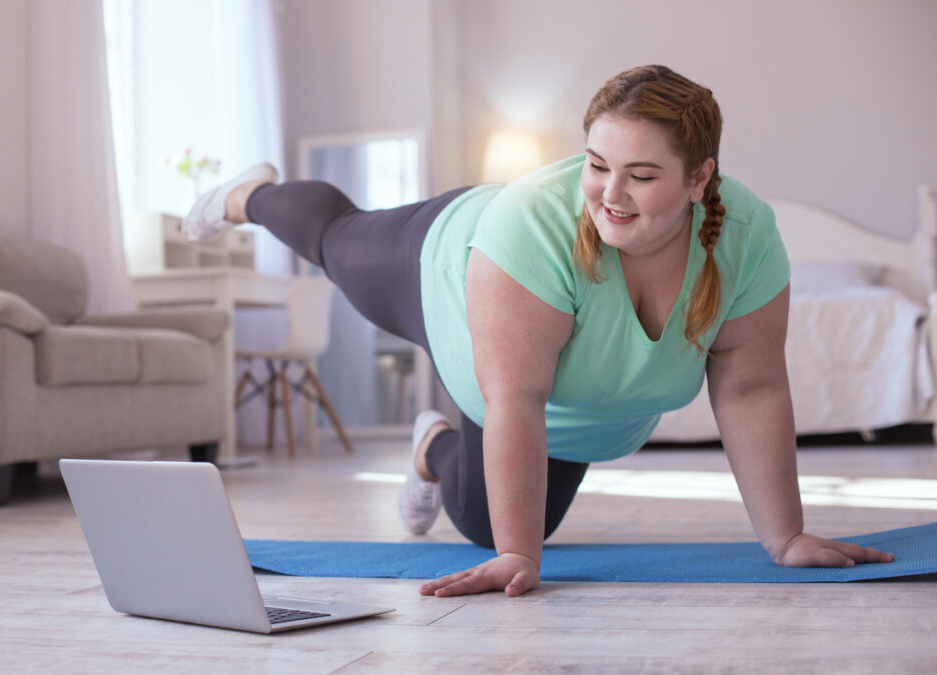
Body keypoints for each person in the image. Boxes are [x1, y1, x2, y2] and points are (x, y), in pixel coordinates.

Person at [182, 64, 895, 598]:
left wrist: (786, 537)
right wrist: (522, 558)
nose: (611, 195)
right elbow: (516, 401)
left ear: (701, 178)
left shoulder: (746, 239)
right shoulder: (529, 224)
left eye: (642, 176)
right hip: (449, 268)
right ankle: (249, 194)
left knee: (483, 522)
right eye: (596, 165)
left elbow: (753, 385)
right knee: (337, 240)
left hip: (567, 408)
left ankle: (433, 445)